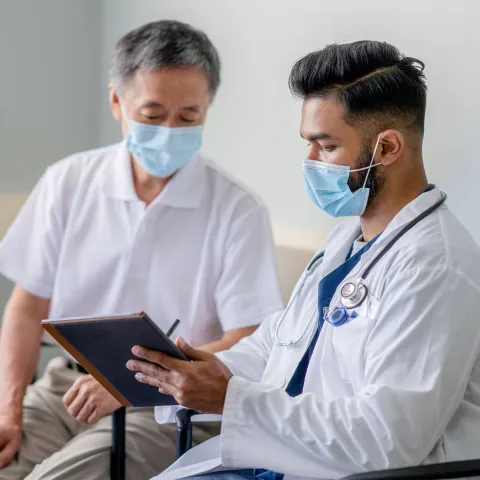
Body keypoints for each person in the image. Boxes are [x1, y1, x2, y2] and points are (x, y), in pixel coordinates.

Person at [127, 40, 480, 480]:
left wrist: (229, 399)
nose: (310, 161)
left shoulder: (436, 267)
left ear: (388, 148)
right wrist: (210, 371)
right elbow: (279, 345)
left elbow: (389, 440)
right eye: (308, 144)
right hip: (279, 460)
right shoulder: (346, 241)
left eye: (326, 146)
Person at [0, 20, 284, 480]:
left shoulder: (237, 209)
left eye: (189, 117)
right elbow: (27, 307)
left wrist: (130, 381)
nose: (171, 130)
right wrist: (8, 411)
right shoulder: (68, 183)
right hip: (67, 386)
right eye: (153, 115)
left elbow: (249, 335)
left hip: (168, 406)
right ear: (117, 101)